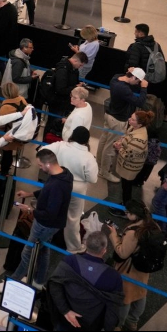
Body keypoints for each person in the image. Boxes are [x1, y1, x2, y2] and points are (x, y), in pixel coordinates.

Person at [0, 149, 73, 293]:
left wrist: (29, 210)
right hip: (53, 225)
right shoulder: (65, 174)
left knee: (27, 253)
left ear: (48, 164)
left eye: (41, 166)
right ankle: (38, 281)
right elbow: (47, 190)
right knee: (43, 250)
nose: (40, 168)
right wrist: (30, 194)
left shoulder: (56, 186)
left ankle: (11, 283)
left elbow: (49, 213)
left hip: (44, 225)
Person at [46, 231, 124, 331]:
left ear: (86, 244)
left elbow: (54, 285)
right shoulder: (113, 276)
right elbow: (112, 310)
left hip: (65, 319)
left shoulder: (70, 261)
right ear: (104, 250)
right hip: (91, 325)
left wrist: (65, 311)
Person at [109, 199, 162, 331]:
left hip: (129, 269)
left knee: (126, 297)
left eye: (127, 213)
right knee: (141, 293)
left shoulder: (133, 232)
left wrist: (114, 237)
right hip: (144, 267)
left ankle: (119, 324)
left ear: (135, 214)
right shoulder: (154, 225)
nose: (126, 215)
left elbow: (122, 253)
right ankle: (133, 321)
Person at [50, 127, 98, 253]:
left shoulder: (61, 146)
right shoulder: (88, 157)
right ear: (87, 140)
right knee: (73, 218)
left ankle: (46, 237)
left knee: (53, 210)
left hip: (58, 182)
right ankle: (73, 247)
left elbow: (43, 151)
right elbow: (93, 179)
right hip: (77, 188)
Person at [97, 68, 149, 182]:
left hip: (109, 115)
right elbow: (140, 102)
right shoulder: (124, 89)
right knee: (110, 147)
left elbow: (126, 78)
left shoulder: (116, 78)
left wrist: (132, 71)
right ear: (133, 77)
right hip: (117, 120)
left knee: (103, 141)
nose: (137, 84)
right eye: (138, 81)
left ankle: (99, 164)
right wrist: (144, 88)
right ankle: (104, 172)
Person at [111, 111, 153, 214]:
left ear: (139, 124)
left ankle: (127, 208)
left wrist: (118, 148)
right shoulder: (135, 128)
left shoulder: (139, 139)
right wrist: (120, 142)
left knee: (126, 187)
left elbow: (129, 156)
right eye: (131, 117)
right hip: (127, 165)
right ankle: (126, 204)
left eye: (133, 119)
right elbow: (126, 137)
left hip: (129, 168)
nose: (129, 120)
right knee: (125, 186)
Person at [0, 83, 29, 174]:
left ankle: (4, 172)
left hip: (8, 134)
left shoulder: (6, 107)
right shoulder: (22, 100)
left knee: (7, 154)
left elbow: (0, 123)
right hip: (18, 131)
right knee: (8, 153)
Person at [50, 52, 88, 118]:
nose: (80, 67)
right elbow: (60, 89)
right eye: (80, 65)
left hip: (66, 103)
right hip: (58, 103)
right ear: (75, 60)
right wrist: (75, 87)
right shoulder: (63, 69)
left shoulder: (73, 70)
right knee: (54, 123)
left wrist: (78, 85)